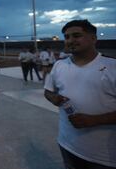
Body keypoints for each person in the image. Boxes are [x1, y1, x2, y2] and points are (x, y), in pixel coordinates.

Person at [44, 19, 116, 169]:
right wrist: (54, 98)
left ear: (93, 38)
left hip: (104, 157)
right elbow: (48, 91)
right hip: (67, 145)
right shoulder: (59, 65)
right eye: (67, 37)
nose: (70, 40)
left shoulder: (112, 67)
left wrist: (95, 120)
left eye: (76, 35)